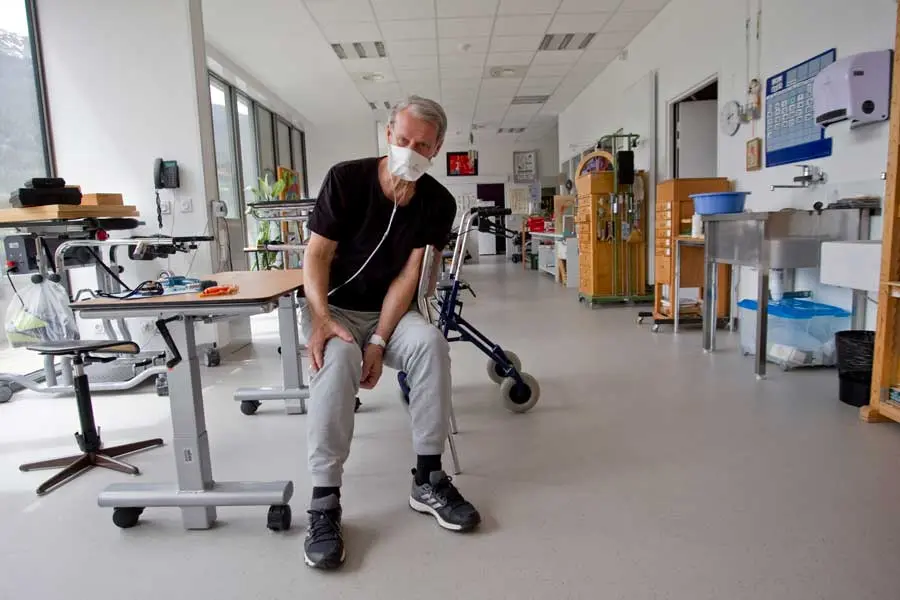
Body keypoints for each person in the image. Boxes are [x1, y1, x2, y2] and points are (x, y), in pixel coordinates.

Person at [300, 96, 481, 570]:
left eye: (422, 145)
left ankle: (428, 478)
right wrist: (322, 319)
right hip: (336, 308)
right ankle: (324, 501)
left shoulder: (438, 202)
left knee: (430, 345)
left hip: (390, 313)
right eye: (403, 140)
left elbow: (409, 276)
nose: (410, 151)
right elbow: (316, 255)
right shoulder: (346, 179)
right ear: (388, 135)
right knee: (337, 361)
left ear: (437, 148)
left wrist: (379, 340)